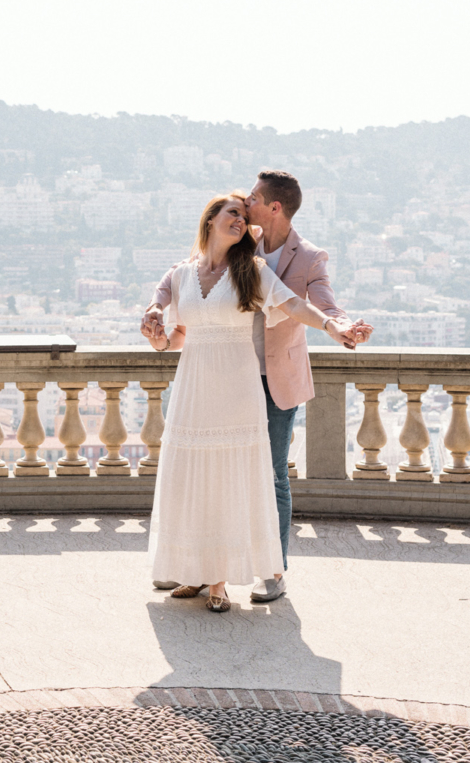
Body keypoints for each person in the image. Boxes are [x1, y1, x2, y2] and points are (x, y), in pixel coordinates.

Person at [143, 169, 372, 604]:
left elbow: (304, 303)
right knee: (197, 474)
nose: (244, 208)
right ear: (210, 220)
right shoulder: (186, 272)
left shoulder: (275, 265)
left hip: (256, 379)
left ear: (273, 207)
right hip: (199, 383)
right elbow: (175, 329)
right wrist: (155, 329)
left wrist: (334, 326)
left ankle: (259, 573)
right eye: (233, 207)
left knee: (259, 477)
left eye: (248, 202)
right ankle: (193, 566)